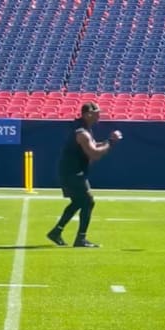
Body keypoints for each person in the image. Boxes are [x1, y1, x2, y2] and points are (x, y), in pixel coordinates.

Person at [47, 102, 123, 247]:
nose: (99, 115)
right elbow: (94, 154)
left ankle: (56, 232)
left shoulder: (84, 129)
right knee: (88, 201)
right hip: (72, 172)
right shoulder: (82, 133)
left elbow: (94, 146)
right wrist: (111, 142)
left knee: (78, 202)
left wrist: (107, 141)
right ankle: (80, 239)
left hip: (70, 171)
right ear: (88, 114)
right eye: (97, 113)